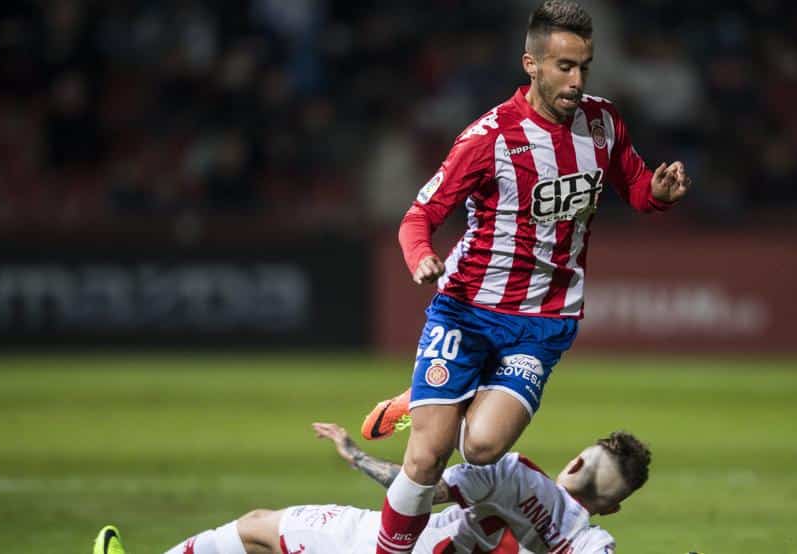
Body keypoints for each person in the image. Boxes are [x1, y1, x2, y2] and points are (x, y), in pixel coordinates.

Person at [360, 2, 690, 552]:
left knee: (483, 449)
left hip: (541, 322)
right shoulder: (487, 138)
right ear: (531, 64)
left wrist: (655, 193)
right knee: (425, 455)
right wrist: (420, 255)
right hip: (466, 311)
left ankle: (441, 396)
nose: (577, 81)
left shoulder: (603, 123)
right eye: (564, 66)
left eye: (584, 66)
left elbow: (633, 185)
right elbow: (419, 216)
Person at [92, 422, 651, 553]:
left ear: (576, 460)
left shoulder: (511, 473)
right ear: (615, 509)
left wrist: (355, 453)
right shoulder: (589, 543)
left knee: (255, 528)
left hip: (381, 544)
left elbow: (419, 484)